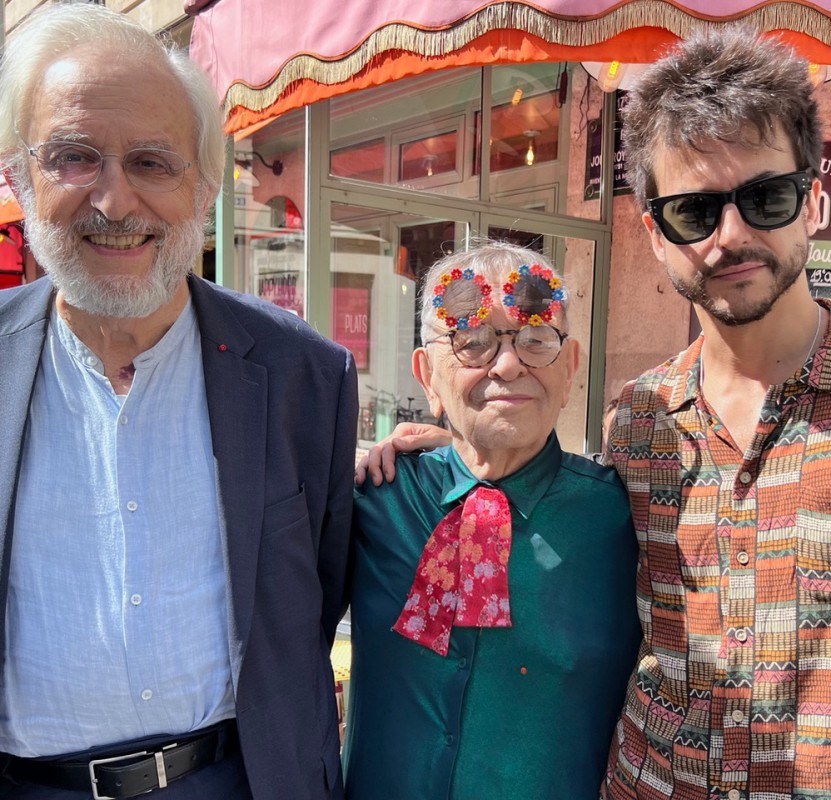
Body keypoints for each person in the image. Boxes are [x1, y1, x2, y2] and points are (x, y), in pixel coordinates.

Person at [359, 26, 831, 800]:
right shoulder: (639, 425)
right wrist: (460, 450)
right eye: (693, 211)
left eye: (765, 197)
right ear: (653, 234)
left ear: (813, 201)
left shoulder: (603, 483)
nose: (731, 235)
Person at [0, 5, 357, 799]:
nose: (115, 201)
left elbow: (315, 595)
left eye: (152, 162)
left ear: (203, 185)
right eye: (74, 157)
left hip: (237, 779)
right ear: (21, 177)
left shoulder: (306, 376)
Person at [344, 243, 640, 799]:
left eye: (535, 340)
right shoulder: (372, 499)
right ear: (427, 375)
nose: (507, 365)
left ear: (571, 365)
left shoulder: (623, 520)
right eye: (473, 342)